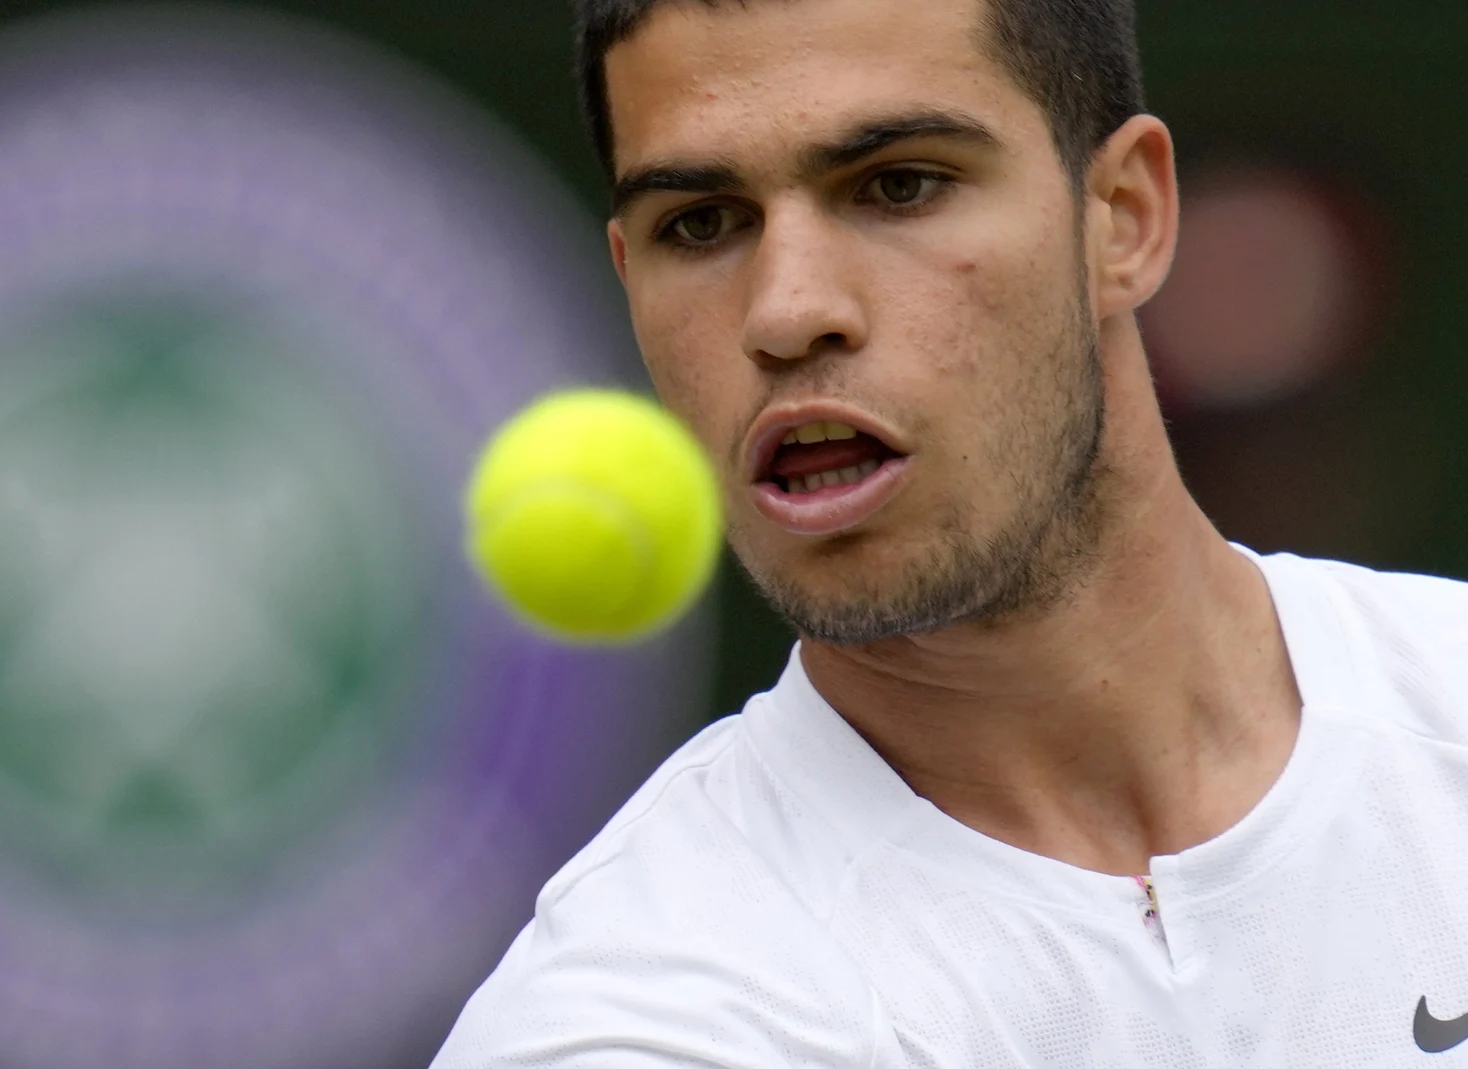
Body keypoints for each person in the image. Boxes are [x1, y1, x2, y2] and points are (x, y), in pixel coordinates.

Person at [430, 0, 1468, 1065]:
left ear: (1123, 216)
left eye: (897, 185)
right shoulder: (628, 1027)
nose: (786, 312)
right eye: (700, 224)